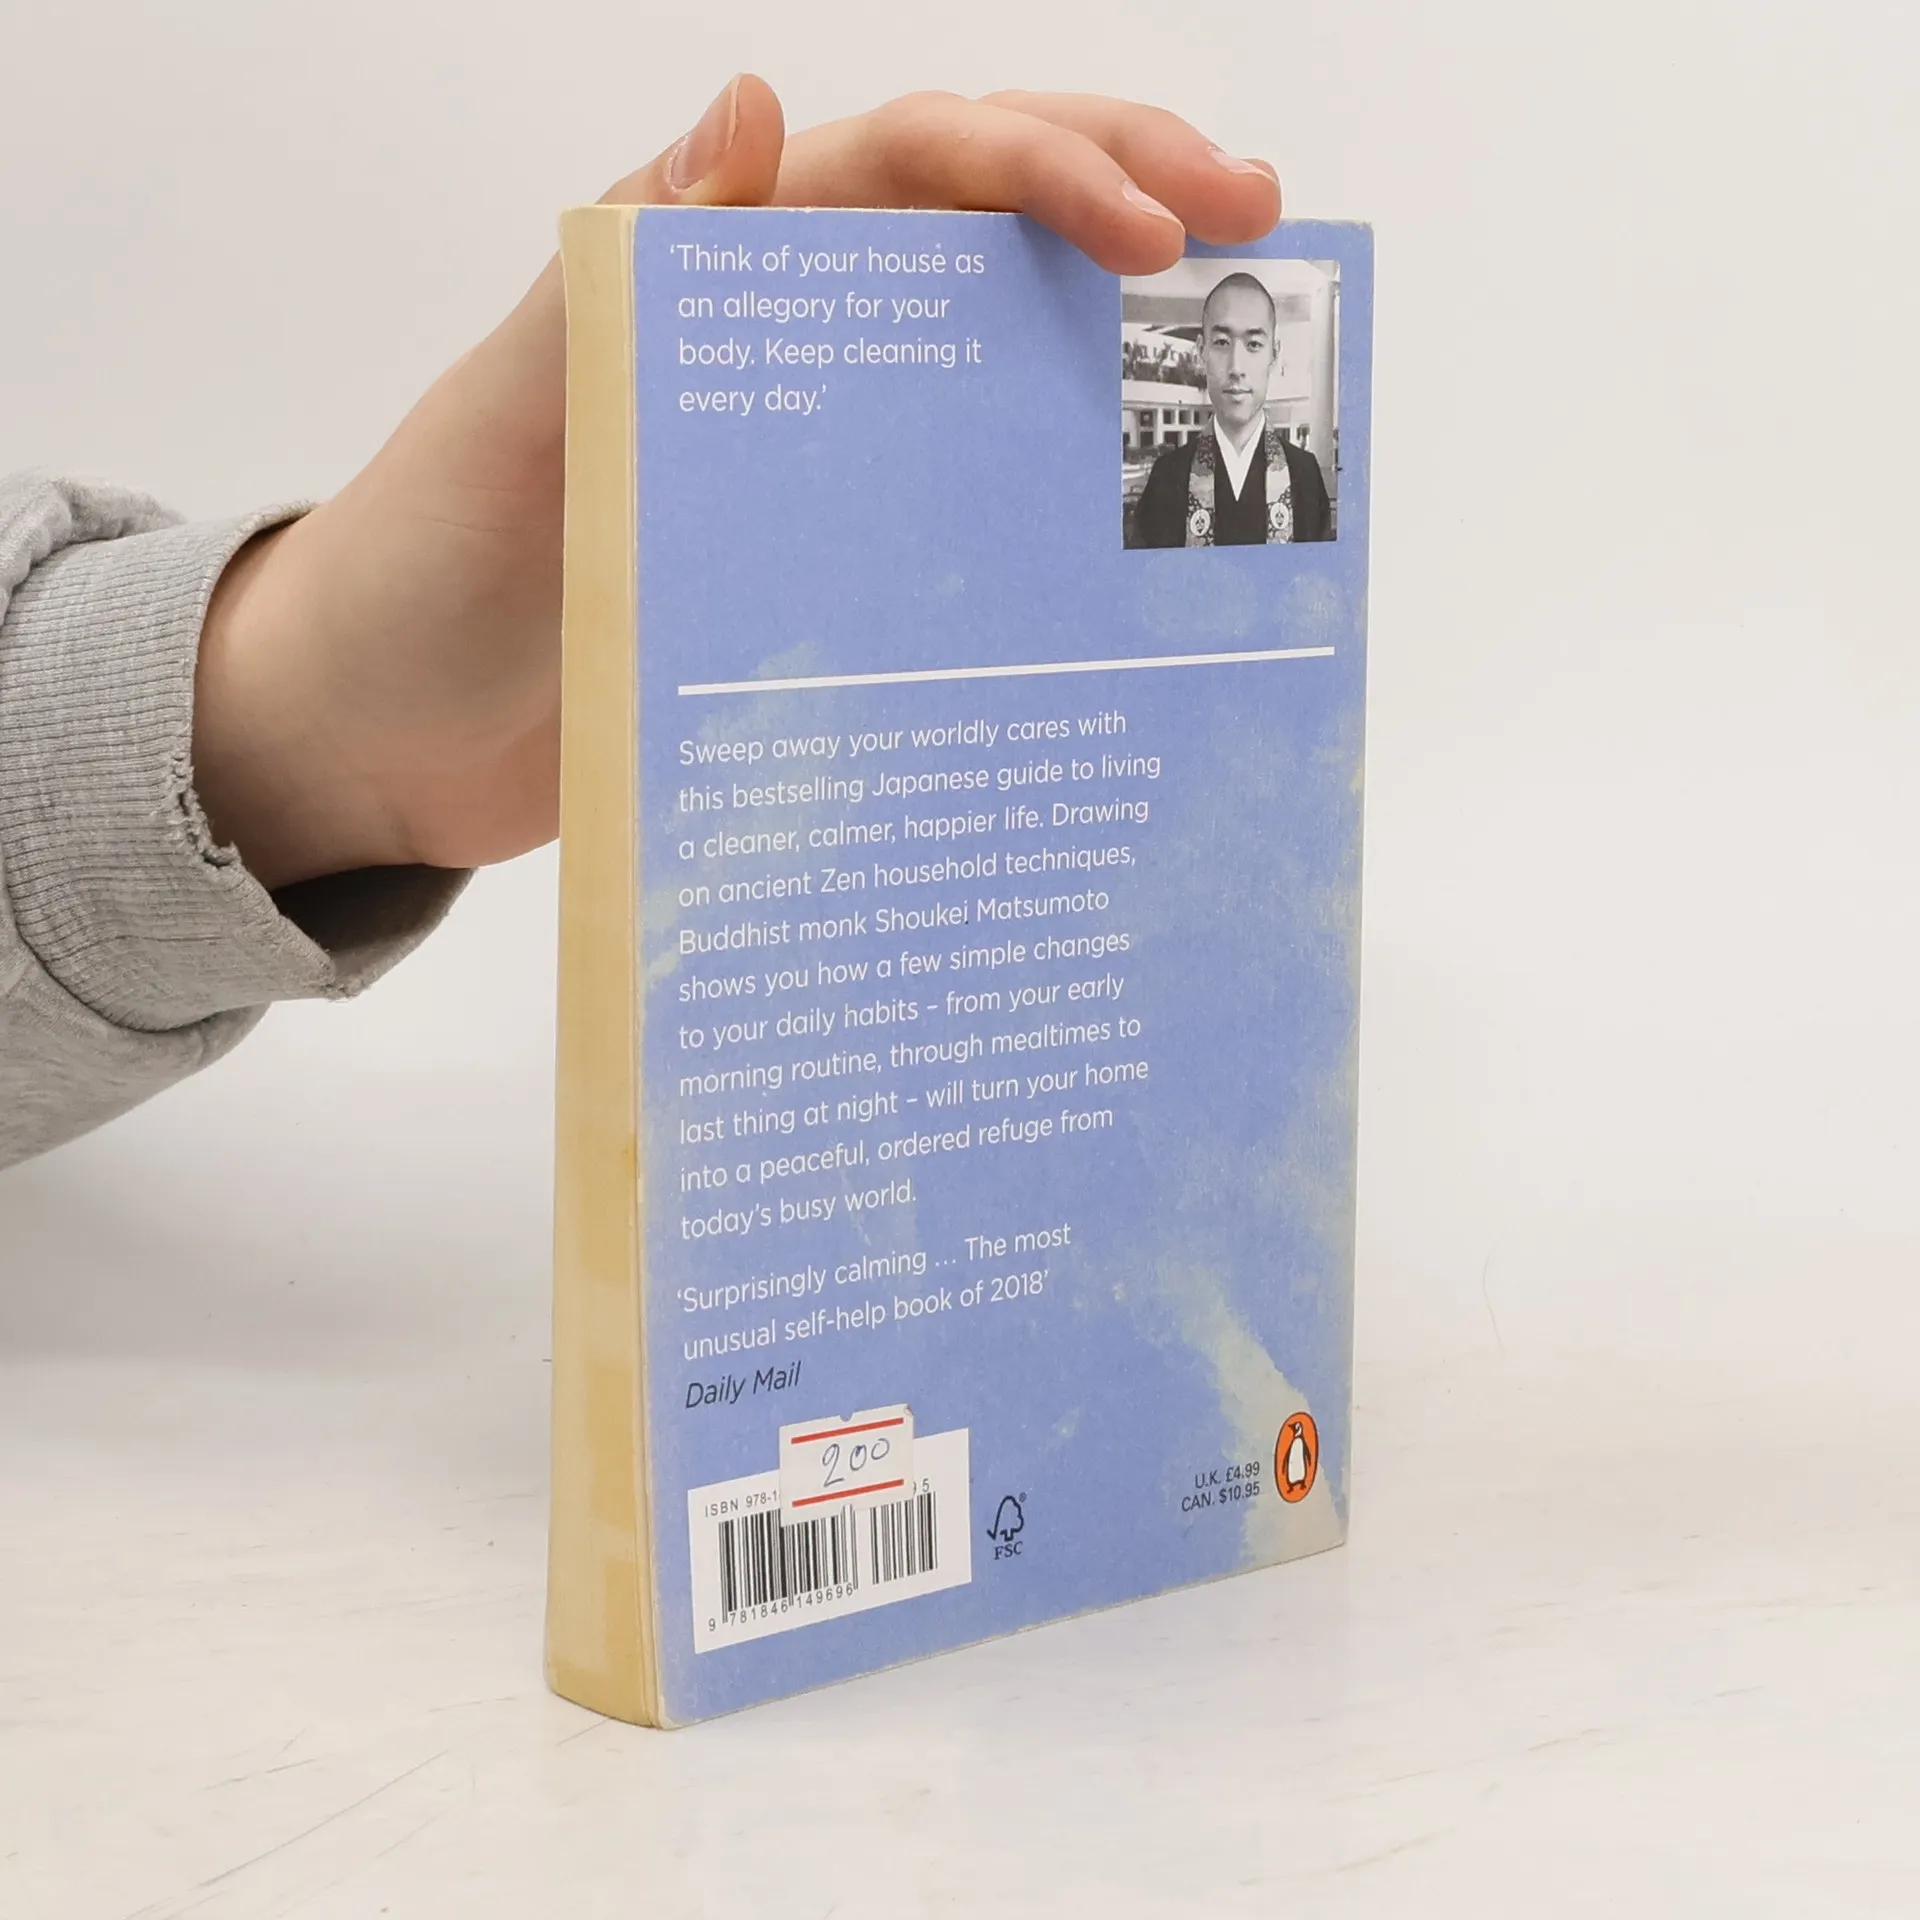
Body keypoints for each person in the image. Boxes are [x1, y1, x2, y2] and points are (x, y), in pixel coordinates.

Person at [0, 80, 1281, 1173]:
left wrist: (303, 715)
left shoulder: (1275, 499)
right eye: (1211, 341)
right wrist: (302, 715)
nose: (1227, 365)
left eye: (1249, 345)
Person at [1126, 269, 1331, 547]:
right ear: (1202, 350)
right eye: (1222, 342)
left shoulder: (1305, 475)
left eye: (1254, 344)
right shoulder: (1167, 476)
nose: (1236, 368)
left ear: (1274, 353)